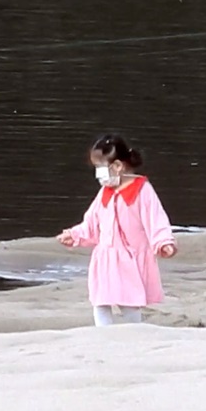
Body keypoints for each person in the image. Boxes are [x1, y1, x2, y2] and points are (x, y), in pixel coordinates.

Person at [58, 134, 178, 326]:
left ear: (118, 166)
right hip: (106, 257)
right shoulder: (105, 192)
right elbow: (92, 221)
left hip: (130, 258)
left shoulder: (142, 190)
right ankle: (103, 335)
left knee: (129, 302)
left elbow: (156, 219)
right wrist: (75, 234)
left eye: (100, 168)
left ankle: (135, 331)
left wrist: (164, 242)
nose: (98, 174)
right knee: (100, 302)